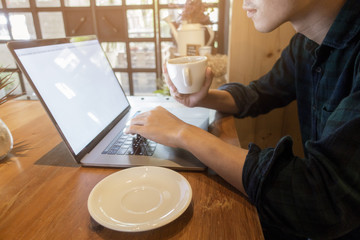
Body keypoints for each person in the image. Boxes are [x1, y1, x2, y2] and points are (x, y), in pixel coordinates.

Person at [126, 0, 360, 238]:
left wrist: (182, 133)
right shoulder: (304, 44)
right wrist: (202, 98)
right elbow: (261, 93)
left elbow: (323, 196)